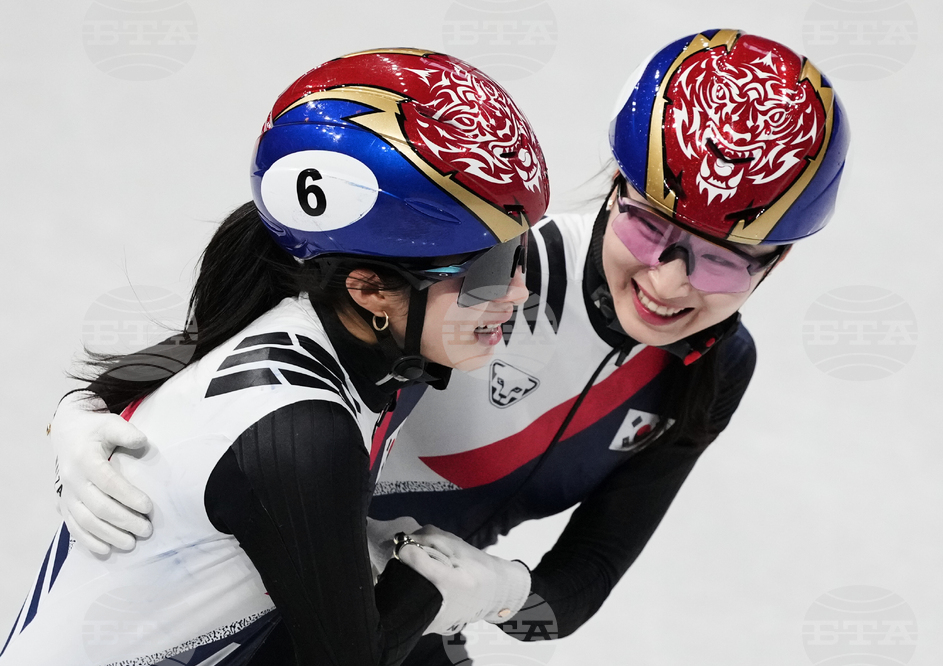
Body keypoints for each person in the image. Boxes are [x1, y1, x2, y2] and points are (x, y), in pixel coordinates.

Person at [44, 30, 849, 665]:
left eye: (719, 258)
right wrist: (85, 411)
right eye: (648, 225)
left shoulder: (711, 369)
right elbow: (243, 355)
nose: (670, 283)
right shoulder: (487, 272)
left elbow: (581, 582)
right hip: (255, 599)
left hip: (385, 619)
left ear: (776, 262)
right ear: (612, 187)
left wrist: (495, 592)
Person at [0, 48, 550, 666]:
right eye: (489, 271)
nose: (521, 291)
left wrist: (77, 408)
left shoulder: (317, 324)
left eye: (519, 252)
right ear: (367, 288)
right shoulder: (303, 431)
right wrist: (446, 587)